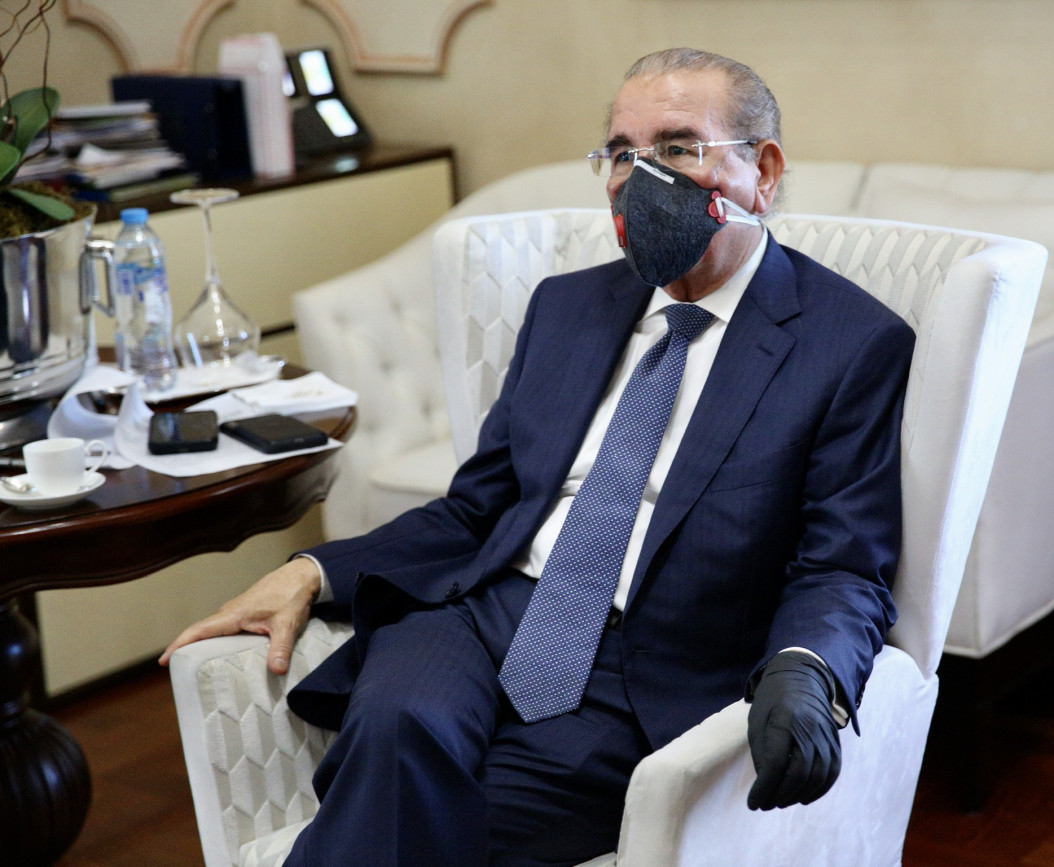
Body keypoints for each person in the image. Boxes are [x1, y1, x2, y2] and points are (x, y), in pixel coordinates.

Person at [162, 47, 915, 867]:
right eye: (621, 153)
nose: (639, 178)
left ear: (761, 172)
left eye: (677, 147)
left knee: (452, 822)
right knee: (398, 728)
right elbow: (474, 508)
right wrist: (312, 571)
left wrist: (808, 669)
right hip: (480, 614)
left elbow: (843, 565)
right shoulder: (568, 306)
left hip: (644, 664)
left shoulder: (850, 343)